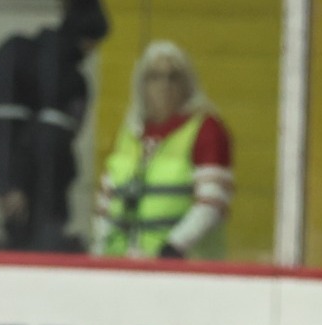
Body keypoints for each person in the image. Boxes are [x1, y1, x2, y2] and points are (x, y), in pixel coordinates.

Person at [0, 0, 108, 252]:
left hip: (15, 181)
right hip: (46, 193)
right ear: (87, 39)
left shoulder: (13, 51)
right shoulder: (71, 80)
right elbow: (52, 143)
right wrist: (13, 182)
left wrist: (5, 182)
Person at [95, 41, 233, 260]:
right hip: (124, 266)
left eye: (173, 77)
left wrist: (173, 248)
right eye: (155, 77)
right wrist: (99, 255)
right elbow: (106, 206)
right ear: (142, 84)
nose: (164, 85)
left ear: (187, 83)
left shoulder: (206, 129)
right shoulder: (130, 134)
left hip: (185, 267)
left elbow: (212, 204)